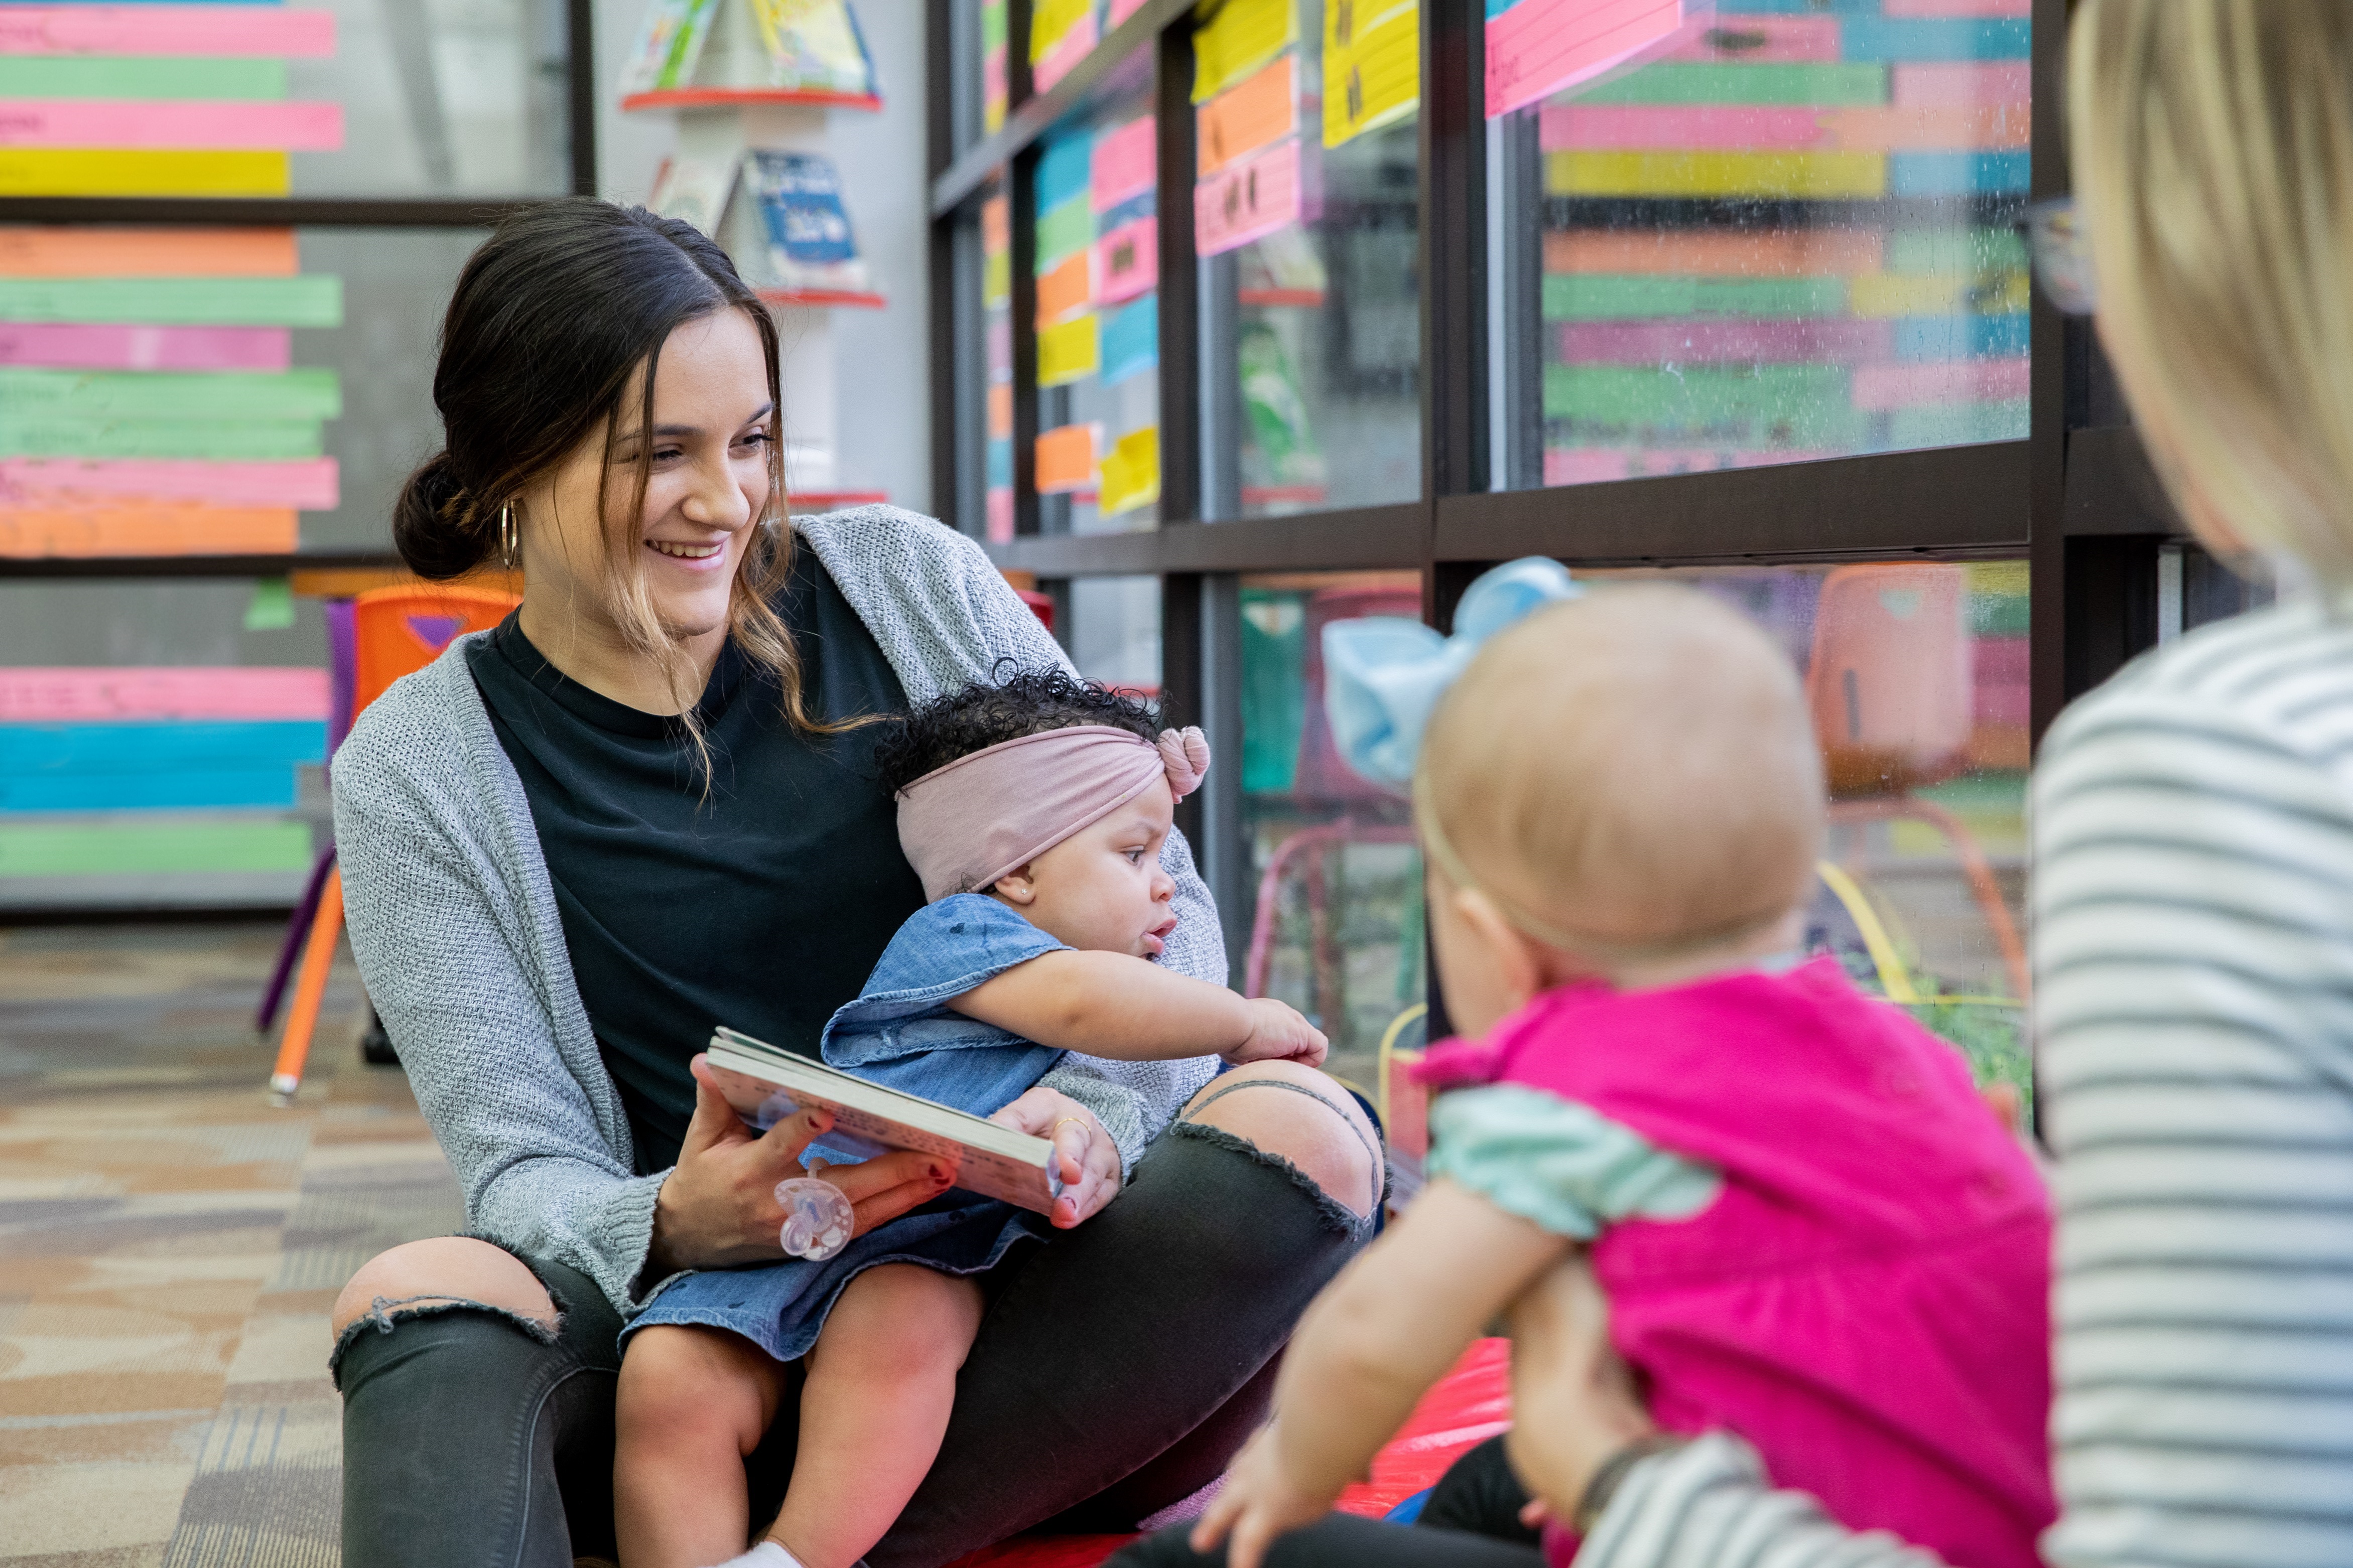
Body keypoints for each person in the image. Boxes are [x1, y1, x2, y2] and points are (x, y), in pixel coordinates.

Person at [1150, 6, 2353, 1567]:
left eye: (2097, 253)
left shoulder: (2214, 765)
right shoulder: (1885, 1040)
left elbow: (1381, 1328)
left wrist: (1382, 1475)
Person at [322, 199, 1382, 1568]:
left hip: (1027, 1313)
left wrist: (1089, 1114)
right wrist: (673, 1218)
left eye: (751, 441)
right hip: (697, 1354)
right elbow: (520, 1163)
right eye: (662, 455)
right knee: (419, 1291)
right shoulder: (417, 769)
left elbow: (1163, 911)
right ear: (513, 463)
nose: (726, 498)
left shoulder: (911, 584)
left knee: (1307, 1125)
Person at [1121, 583, 2053, 1568]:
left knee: (1191, 1561)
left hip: (1726, 1530)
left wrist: (1292, 1472)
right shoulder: (1900, 1054)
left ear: (1490, 942)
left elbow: (1374, 1335)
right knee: (1490, 1487)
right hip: (1968, 1530)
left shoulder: (1581, 1099)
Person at [615, 673, 1350, 1568]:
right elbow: (1084, 1005)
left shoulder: (1122, 1034)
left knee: (897, 1318)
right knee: (668, 1373)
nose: (1169, 891)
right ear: (1016, 868)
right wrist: (1238, 1019)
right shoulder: (964, 932)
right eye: (1134, 854)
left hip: (936, 1255)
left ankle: (795, 1557)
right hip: (817, 1221)